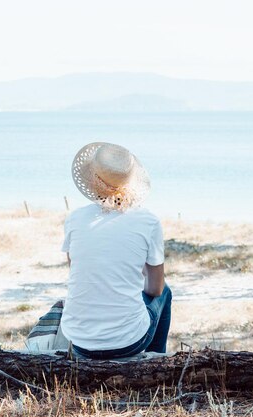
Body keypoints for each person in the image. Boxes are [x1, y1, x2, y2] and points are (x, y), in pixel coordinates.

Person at [60, 142, 171, 360]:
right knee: (165, 292)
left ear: (93, 181)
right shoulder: (148, 221)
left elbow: (78, 272)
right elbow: (155, 289)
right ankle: (155, 361)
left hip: (79, 340)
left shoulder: (74, 219)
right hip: (128, 342)